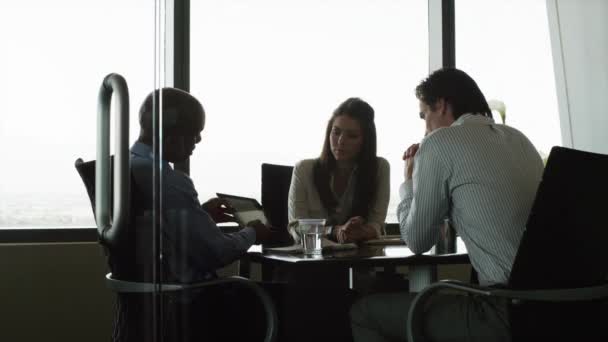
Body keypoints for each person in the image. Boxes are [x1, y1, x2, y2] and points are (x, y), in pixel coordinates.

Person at [350, 68, 544, 342]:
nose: (424, 128)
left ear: (440, 104)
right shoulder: (520, 140)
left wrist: (409, 182)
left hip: (506, 312)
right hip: (558, 307)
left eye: (424, 115)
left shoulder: (439, 143)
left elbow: (417, 241)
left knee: (364, 314)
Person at [128, 87, 278, 341]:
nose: (198, 140)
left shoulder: (128, 167)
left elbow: (163, 230)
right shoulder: (168, 181)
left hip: (153, 302)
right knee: (293, 302)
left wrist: (199, 214)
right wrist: (252, 232)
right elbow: (217, 253)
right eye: (194, 132)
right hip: (194, 303)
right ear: (172, 133)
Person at [287, 97, 390, 244]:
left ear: (365, 141)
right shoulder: (304, 169)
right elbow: (296, 227)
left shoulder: (380, 168)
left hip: (359, 259)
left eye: (352, 136)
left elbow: (377, 223)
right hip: (312, 259)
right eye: (336, 132)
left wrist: (361, 231)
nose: (341, 141)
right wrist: (334, 231)